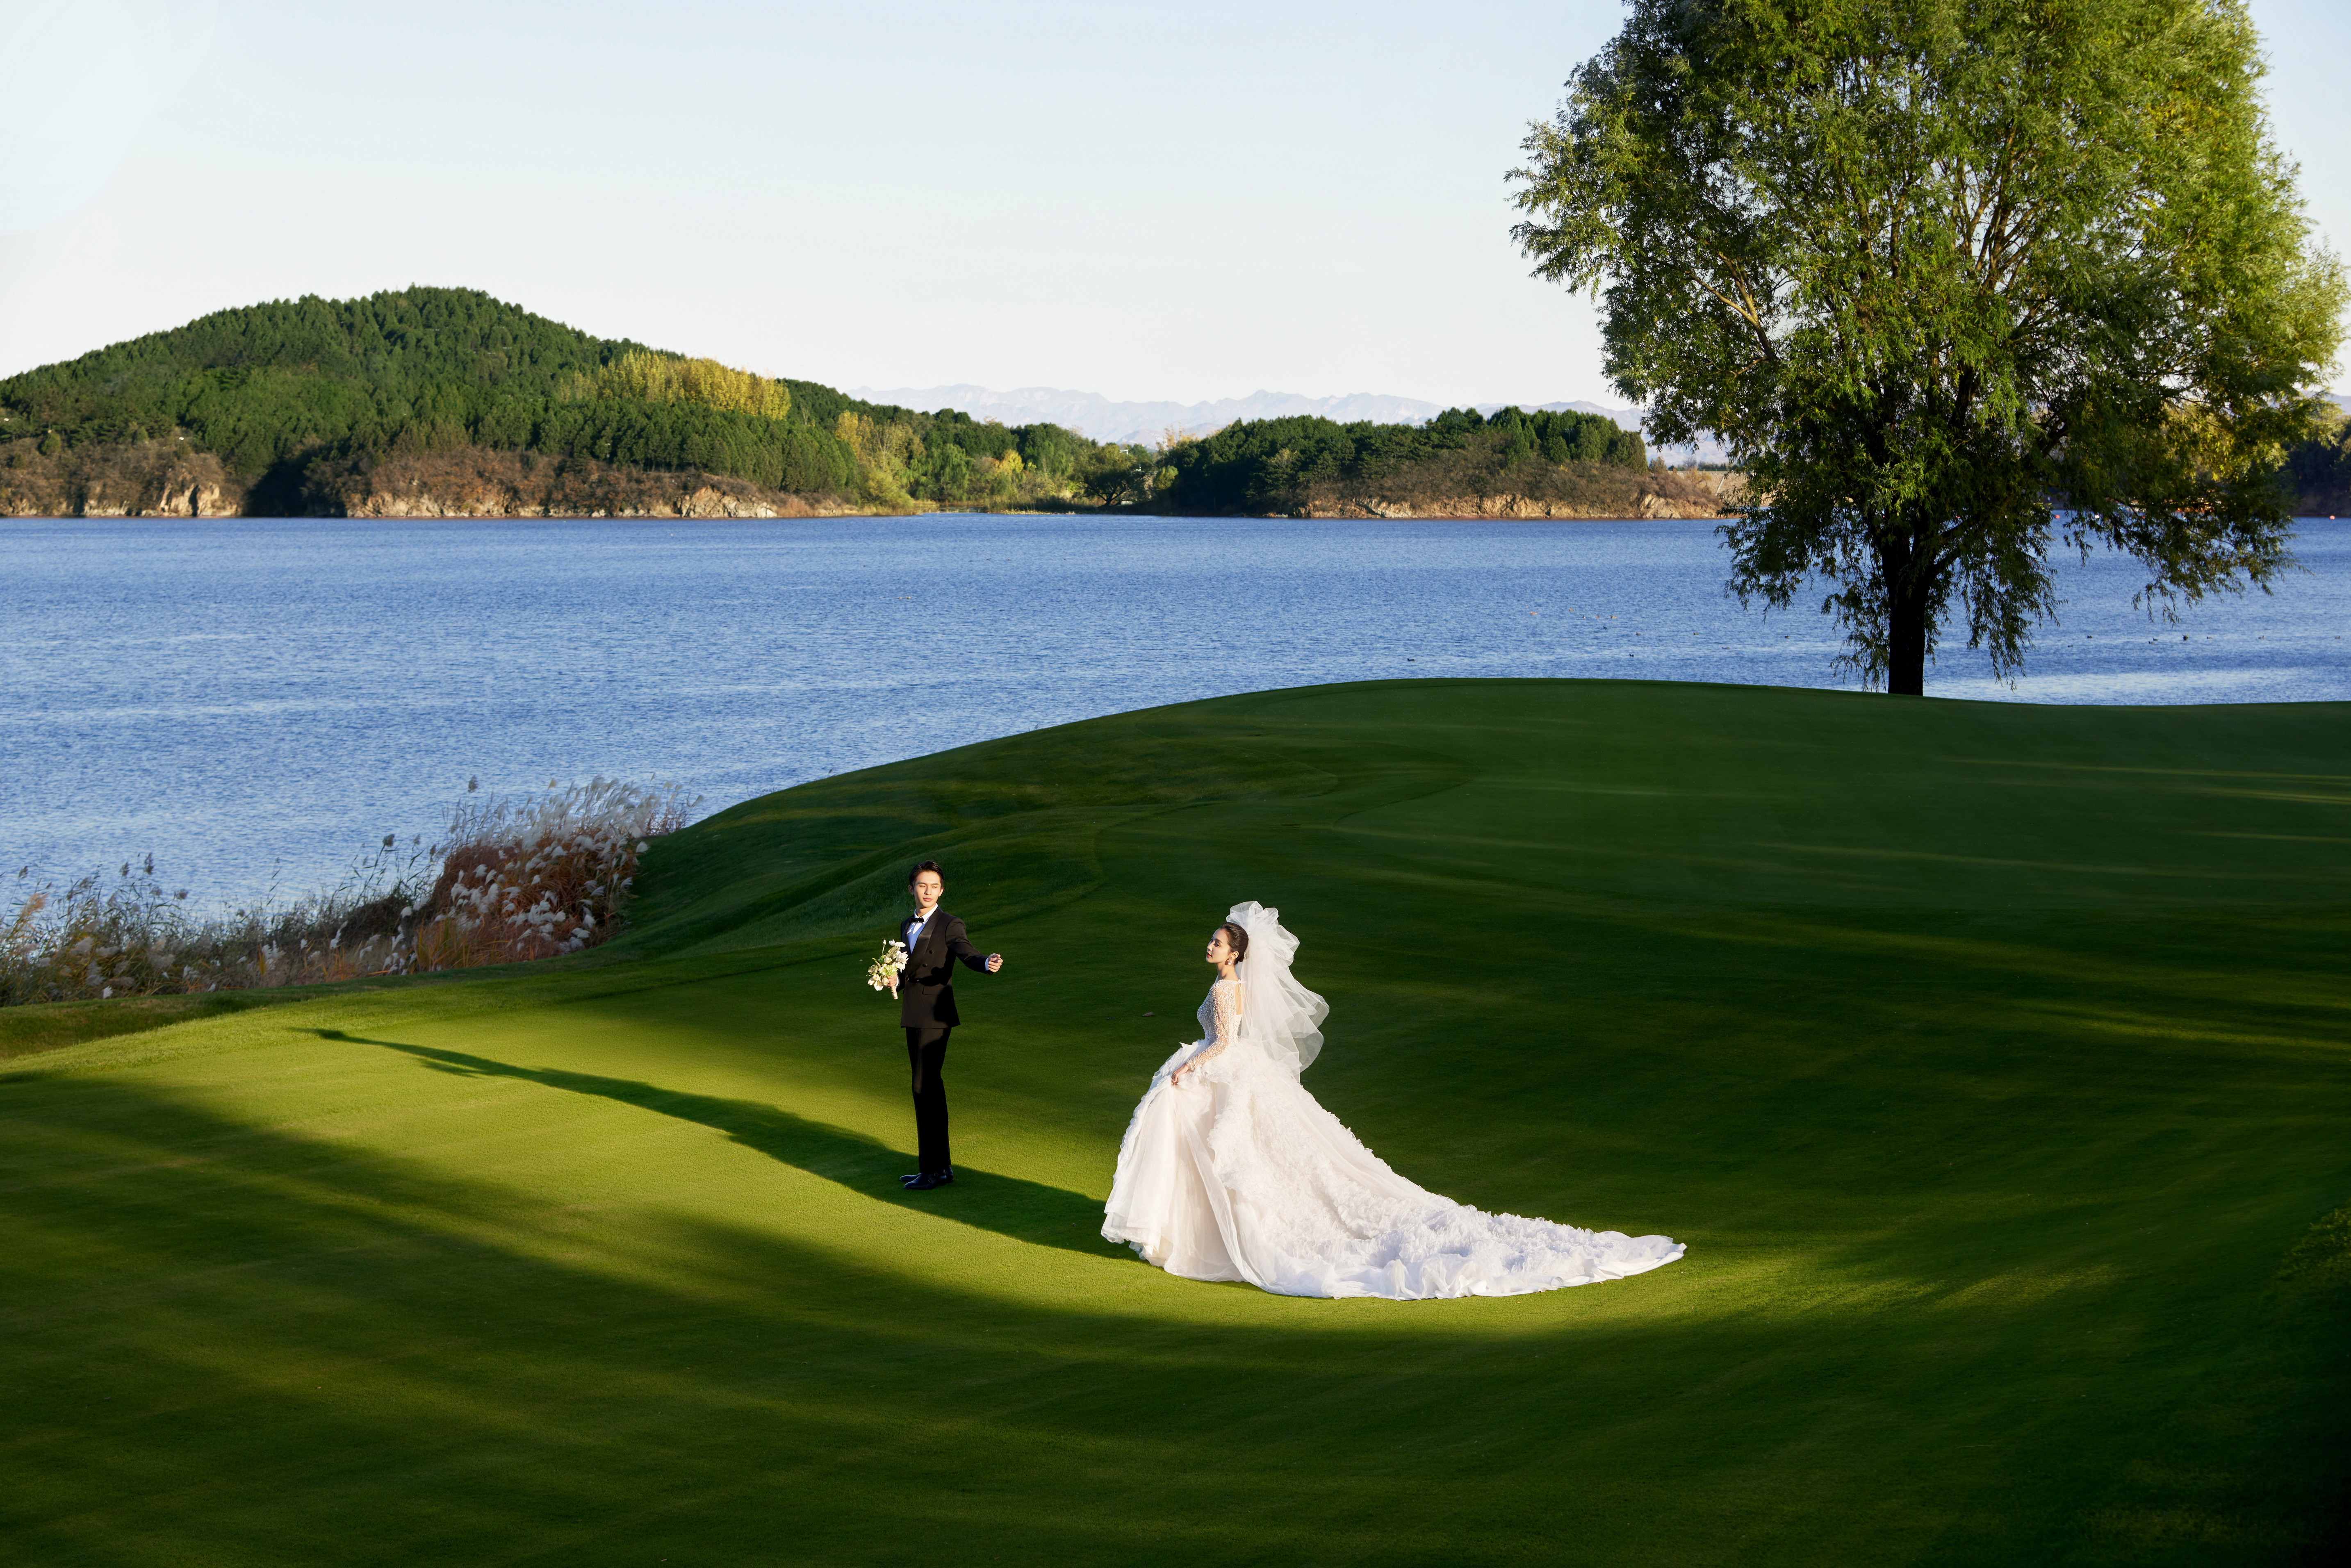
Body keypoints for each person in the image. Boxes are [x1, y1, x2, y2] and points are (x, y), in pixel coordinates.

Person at [1102, 901, 1683, 1298]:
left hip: (1224, 1070)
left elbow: (1225, 1041)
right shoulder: (1234, 986)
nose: (1209, 947)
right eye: (1211, 940)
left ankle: (1200, 1235)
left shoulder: (1224, 989)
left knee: (1243, 1160)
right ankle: (1198, 1230)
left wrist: (1187, 1070)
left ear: (1234, 955)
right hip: (1240, 1072)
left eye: (1218, 942)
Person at [886, 860, 1003, 1191]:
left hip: (935, 1016)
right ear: (912, 889)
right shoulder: (907, 924)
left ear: (941, 890)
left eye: (934, 886)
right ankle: (941, 1167)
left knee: (924, 1087)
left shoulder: (950, 924)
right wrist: (893, 975)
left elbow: (967, 953)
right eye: (922, 885)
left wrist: (985, 963)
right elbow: (908, 965)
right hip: (913, 1013)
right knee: (928, 1088)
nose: (928, 891)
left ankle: (933, 1170)